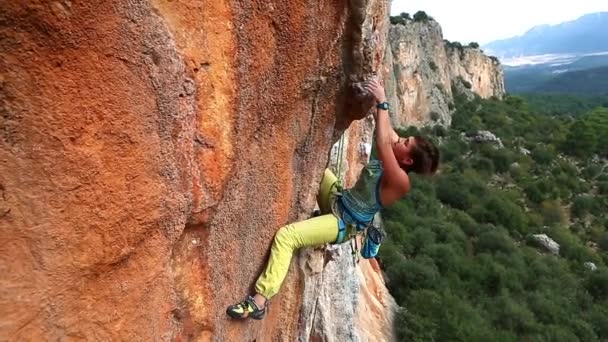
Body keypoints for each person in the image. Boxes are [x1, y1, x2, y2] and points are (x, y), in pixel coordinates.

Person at [226, 79, 439, 320]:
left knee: (287, 237)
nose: (400, 140)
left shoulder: (400, 181)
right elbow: (388, 131)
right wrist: (375, 94)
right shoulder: (398, 153)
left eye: (405, 143)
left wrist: (383, 101)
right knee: (314, 164)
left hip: (343, 223)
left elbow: (382, 142)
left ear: (408, 160)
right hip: (339, 199)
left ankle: (259, 301)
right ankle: (316, 217)